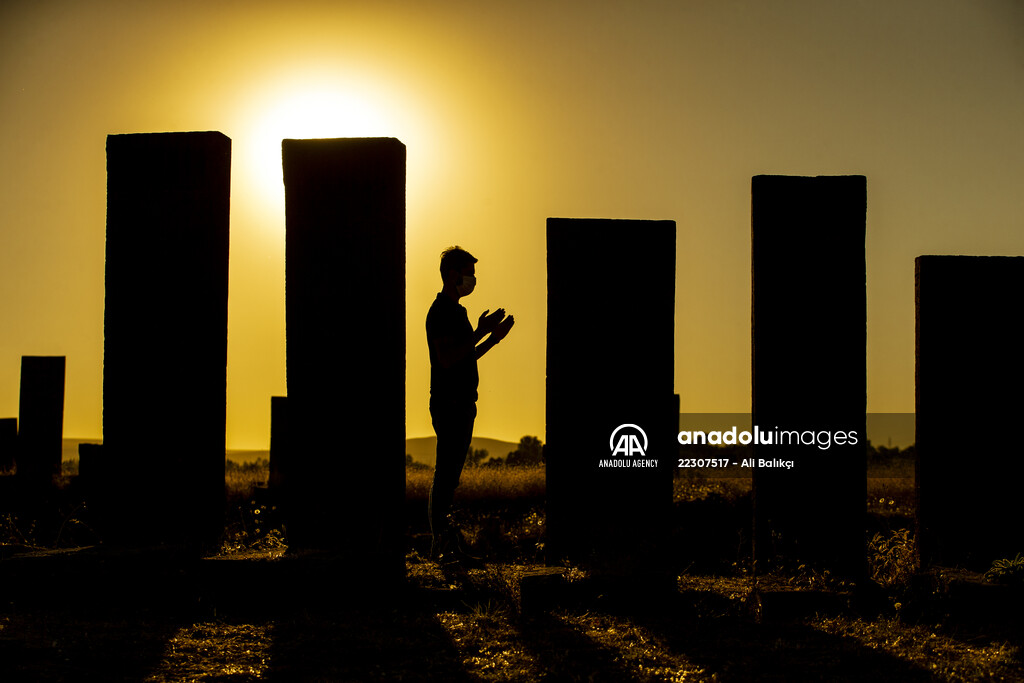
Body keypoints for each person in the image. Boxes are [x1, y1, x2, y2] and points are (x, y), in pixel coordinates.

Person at [426, 246, 514, 564]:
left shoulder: (459, 313)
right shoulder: (440, 312)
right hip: (449, 403)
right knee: (446, 476)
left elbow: (465, 358)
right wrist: (480, 332)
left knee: (451, 477)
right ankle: (443, 548)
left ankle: (448, 547)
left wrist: (493, 339)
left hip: (463, 403)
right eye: (468, 272)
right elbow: (447, 359)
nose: (472, 279)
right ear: (452, 275)